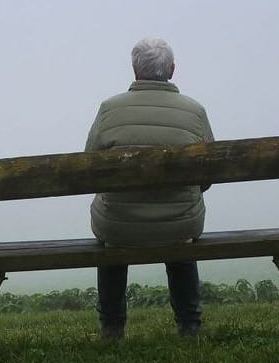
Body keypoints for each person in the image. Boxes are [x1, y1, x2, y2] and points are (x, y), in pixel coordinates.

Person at [85, 38, 214, 338]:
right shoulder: (194, 112)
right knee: (179, 224)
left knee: (113, 228)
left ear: (134, 69)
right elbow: (207, 175)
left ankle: (112, 327)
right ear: (172, 69)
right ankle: (189, 324)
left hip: (118, 226)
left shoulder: (109, 110)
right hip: (180, 223)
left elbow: (89, 171)